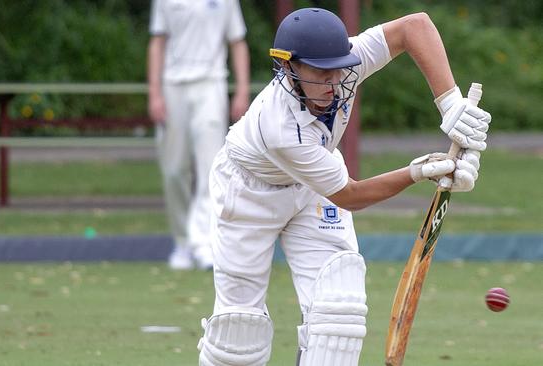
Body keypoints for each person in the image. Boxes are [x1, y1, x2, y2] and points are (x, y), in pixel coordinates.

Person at [197, 8, 491, 366]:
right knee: (238, 332)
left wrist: (450, 105)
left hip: (313, 188)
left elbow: (415, 27)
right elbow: (350, 196)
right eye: (321, 71)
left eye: (339, 67)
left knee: (338, 311)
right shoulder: (280, 128)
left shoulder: (343, 63)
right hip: (248, 194)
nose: (335, 80)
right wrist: (418, 172)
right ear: (289, 68)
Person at [147, 0, 251, 270]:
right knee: (173, 170)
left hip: (211, 83)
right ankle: (182, 242)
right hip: (173, 85)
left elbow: (237, 41)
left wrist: (241, 91)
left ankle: (203, 242)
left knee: (210, 167)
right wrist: (155, 94)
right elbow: (157, 42)